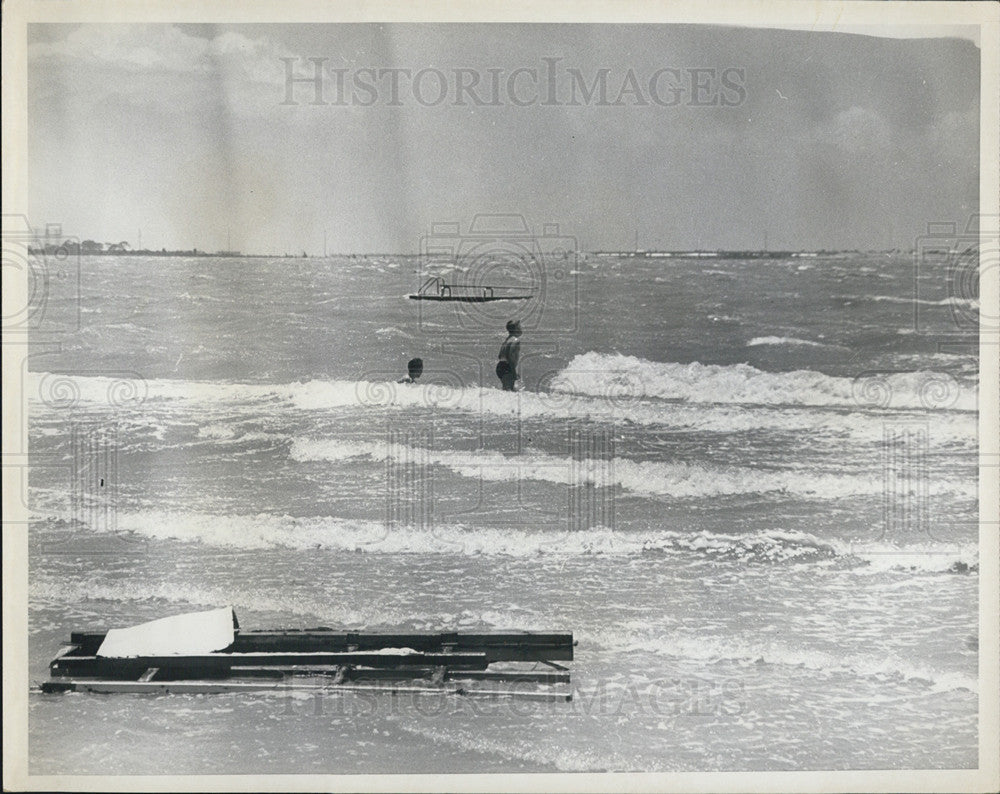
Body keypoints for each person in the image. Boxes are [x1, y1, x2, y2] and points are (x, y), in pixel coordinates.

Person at [496, 320, 522, 391]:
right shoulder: (516, 340)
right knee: (509, 391)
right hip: (507, 367)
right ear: (516, 329)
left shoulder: (507, 340)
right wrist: (513, 372)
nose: (521, 329)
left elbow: (500, 356)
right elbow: (509, 356)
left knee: (507, 391)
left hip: (500, 367)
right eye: (520, 327)